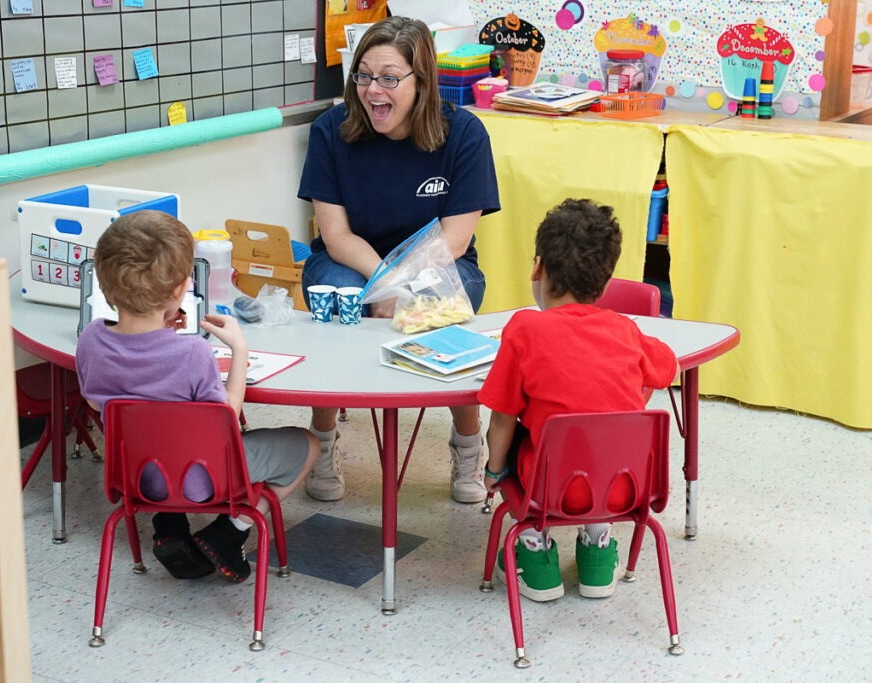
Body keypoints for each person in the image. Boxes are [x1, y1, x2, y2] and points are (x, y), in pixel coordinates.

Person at [297, 16, 500, 504]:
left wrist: (404, 291)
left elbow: (453, 240)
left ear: (421, 80)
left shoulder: (464, 134)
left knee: (445, 305)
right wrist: (386, 286)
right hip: (353, 263)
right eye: (363, 76)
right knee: (339, 297)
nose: (372, 90)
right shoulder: (330, 130)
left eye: (389, 77)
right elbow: (336, 235)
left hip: (439, 265)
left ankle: (468, 445)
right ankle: (322, 441)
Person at [76, 210, 319, 583]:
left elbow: (96, 403)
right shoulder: (192, 354)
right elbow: (227, 415)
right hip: (203, 480)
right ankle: (228, 533)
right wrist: (239, 349)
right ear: (179, 291)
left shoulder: (91, 338)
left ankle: (169, 523)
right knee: (306, 444)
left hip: (136, 477)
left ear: (105, 286)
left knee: (163, 439)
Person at [478, 198, 678, 602]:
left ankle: (535, 555)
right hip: (625, 489)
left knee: (518, 433)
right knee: (606, 431)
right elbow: (667, 367)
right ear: (604, 285)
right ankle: (598, 551)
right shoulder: (623, 329)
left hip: (548, 492)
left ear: (537, 268)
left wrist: (493, 474)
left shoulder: (524, 329)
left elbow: (502, 417)